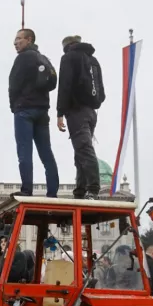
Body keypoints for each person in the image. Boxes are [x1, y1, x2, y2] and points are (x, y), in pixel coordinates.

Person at [8, 28, 59, 197]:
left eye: (19, 39)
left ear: (29, 39)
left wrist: (13, 106)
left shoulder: (22, 58)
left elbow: (13, 85)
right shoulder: (43, 59)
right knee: (46, 152)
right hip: (42, 111)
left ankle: (26, 190)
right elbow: (53, 83)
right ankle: (52, 192)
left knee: (24, 151)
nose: (15, 42)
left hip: (24, 110)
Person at [56, 35, 105, 199]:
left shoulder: (69, 57)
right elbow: (101, 91)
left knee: (84, 149)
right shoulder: (94, 60)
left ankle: (92, 189)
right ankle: (80, 190)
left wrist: (60, 112)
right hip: (91, 112)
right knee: (81, 150)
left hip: (76, 111)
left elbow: (64, 86)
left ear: (66, 46)